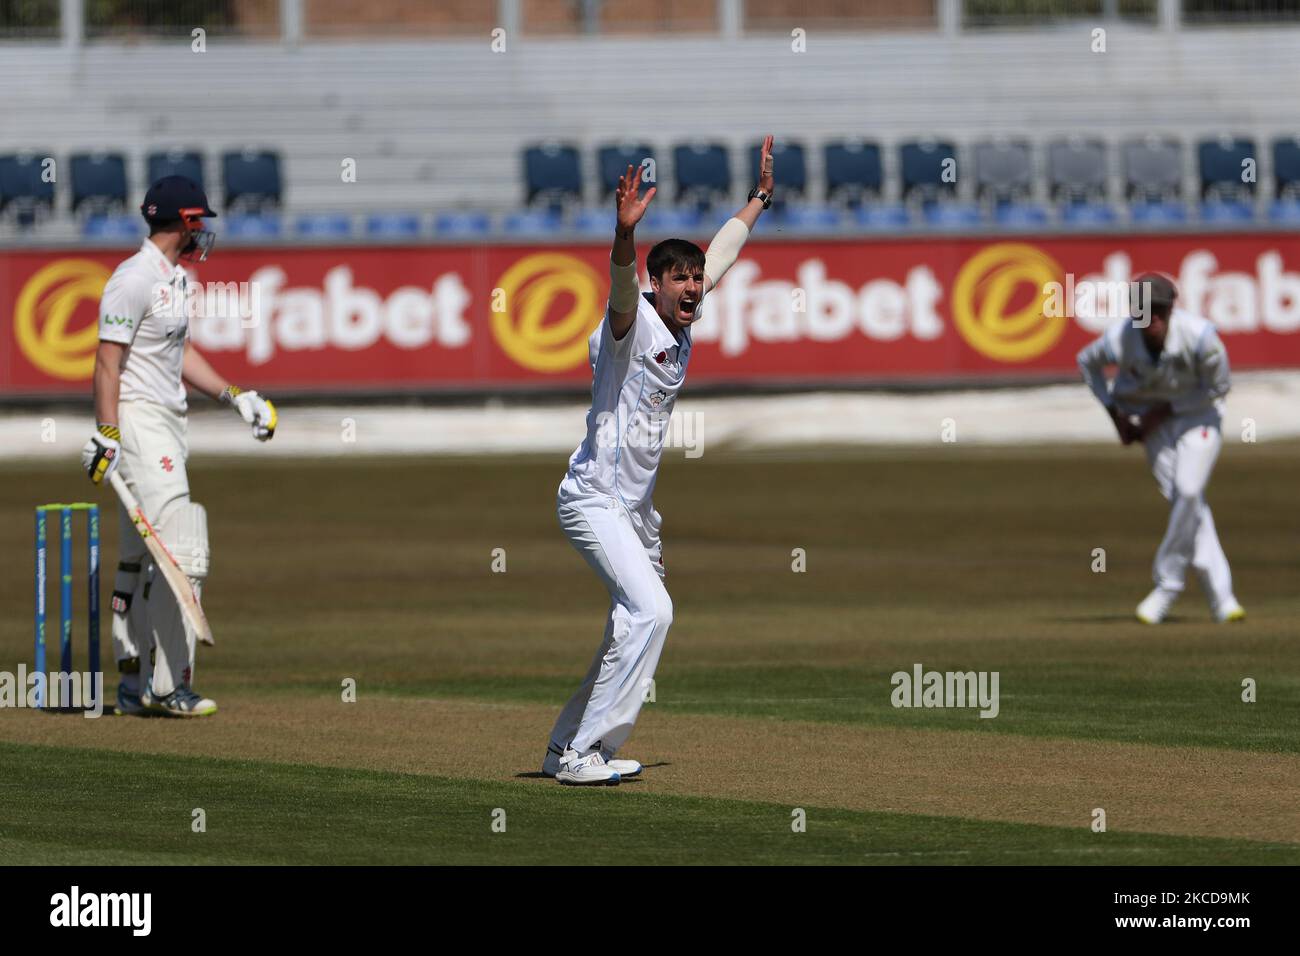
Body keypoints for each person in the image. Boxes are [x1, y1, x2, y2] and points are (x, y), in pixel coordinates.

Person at [542, 137, 776, 785]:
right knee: (653, 612)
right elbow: (620, 288)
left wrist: (757, 201)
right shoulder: (629, 326)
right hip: (593, 498)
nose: (695, 286)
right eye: (682, 278)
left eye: (697, 279)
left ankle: (568, 746)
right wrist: (623, 235)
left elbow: (722, 252)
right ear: (655, 284)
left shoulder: (684, 317)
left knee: (632, 620)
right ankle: (585, 756)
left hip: (635, 508)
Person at [82, 175, 279, 717]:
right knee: (183, 548)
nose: (206, 234)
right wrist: (108, 431)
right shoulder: (133, 278)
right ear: (187, 222)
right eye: (202, 223)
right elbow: (107, 360)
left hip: (169, 422)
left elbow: (179, 351)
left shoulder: (176, 279)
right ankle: (168, 686)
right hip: (139, 422)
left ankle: (130, 684)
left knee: (136, 555)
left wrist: (235, 396)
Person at [1077, 272, 1244, 625]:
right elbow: (1086, 363)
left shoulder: (1201, 338)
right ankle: (1222, 600)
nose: (1151, 318)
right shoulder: (1119, 339)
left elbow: (1219, 389)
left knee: (1188, 489)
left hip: (1198, 419)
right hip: (1150, 425)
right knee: (1188, 502)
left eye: (1158, 310)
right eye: (1142, 310)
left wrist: (1162, 411)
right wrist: (1115, 415)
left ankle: (1167, 585)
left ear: (1171, 310)